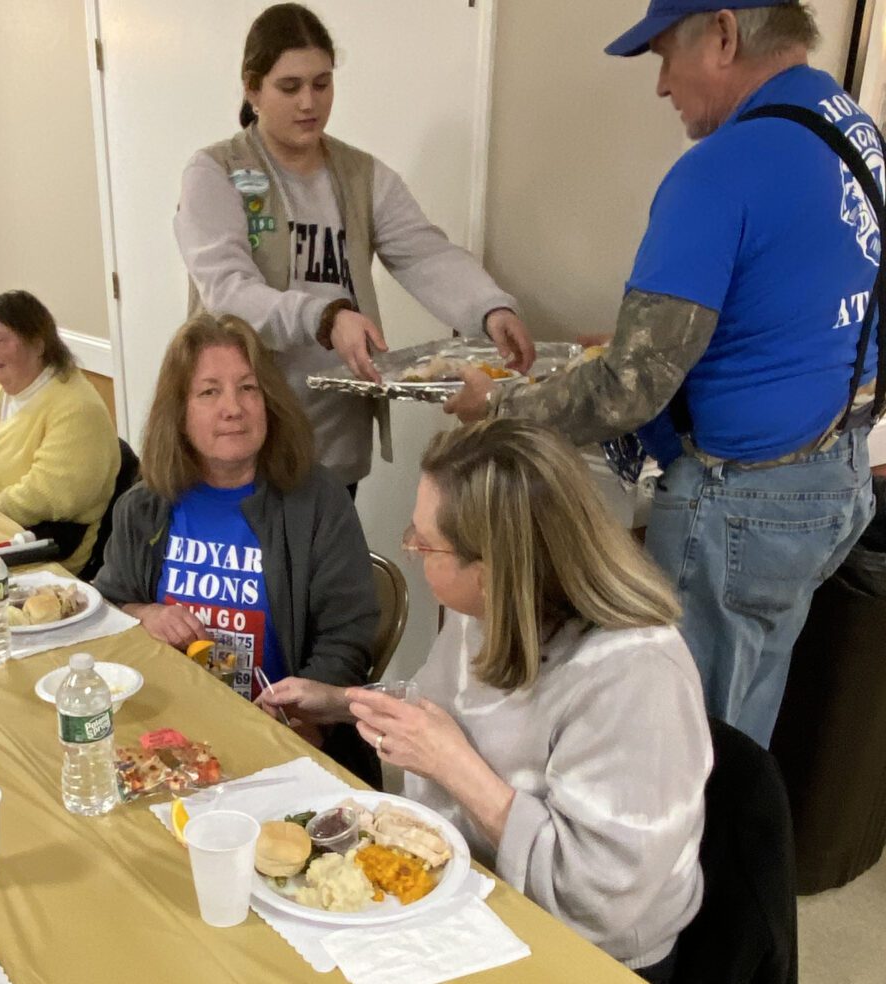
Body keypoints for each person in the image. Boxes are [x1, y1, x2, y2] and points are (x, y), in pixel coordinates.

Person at [444, 0, 877, 748]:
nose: (661, 86)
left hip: (739, 504)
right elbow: (801, 304)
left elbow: (628, 389)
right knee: (742, 725)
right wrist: (654, 343)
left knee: (682, 752)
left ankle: (689, 867)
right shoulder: (851, 130)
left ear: (722, 32)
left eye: (662, 55)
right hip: (832, 477)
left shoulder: (720, 168)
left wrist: (501, 405)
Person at [259, 420, 712, 982]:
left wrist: (454, 766)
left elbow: (600, 903)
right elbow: (439, 710)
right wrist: (337, 702)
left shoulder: (637, 678)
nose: (413, 551)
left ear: (494, 565)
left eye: (424, 544)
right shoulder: (490, 615)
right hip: (475, 894)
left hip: (586, 954)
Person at [174, 2, 535, 493]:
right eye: (290, 86)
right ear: (252, 87)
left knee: (324, 568)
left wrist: (490, 308)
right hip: (239, 439)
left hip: (332, 441)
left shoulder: (363, 176)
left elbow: (425, 253)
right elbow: (228, 291)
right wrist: (325, 317)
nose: (309, 102)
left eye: (322, 84)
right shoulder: (216, 171)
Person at [93, 311, 381, 782]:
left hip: (280, 739)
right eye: (210, 391)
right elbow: (106, 607)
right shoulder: (143, 506)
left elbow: (347, 637)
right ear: (179, 412)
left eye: (248, 388)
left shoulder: (318, 501)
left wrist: (301, 721)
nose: (234, 407)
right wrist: (146, 614)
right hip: (166, 737)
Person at [0, 290, 119, 574]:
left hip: (32, 548)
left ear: (37, 343)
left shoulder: (77, 409)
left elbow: (44, 494)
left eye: (0, 340)